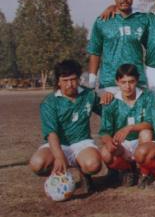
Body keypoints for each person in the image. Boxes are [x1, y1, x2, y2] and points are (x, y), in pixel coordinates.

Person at [29, 60, 103, 190]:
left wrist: (108, 98)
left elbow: (106, 112)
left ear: (79, 79)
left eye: (73, 79)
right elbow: (51, 133)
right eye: (65, 80)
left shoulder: (88, 95)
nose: (70, 84)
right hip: (59, 144)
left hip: (82, 142)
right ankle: (58, 175)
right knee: (37, 164)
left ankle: (84, 173)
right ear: (58, 81)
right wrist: (59, 156)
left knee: (93, 165)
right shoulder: (49, 102)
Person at [98, 63, 155, 187]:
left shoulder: (147, 97)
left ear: (137, 80)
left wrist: (130, 128)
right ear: (117, 82)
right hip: (122, 146)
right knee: (105, 153)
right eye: (123, 82)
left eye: (131, 82)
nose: (128, 86)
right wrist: (109, 142)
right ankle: (127, 170)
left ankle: (144, 172)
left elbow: (151, 123)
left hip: (141, 142)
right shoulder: (111, 102)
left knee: (146, 132)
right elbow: (104, 131)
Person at [87, 0, 148, 91]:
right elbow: (95, 52)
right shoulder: (102, 21)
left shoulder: (143, 19)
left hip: (136, 82)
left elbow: (153, 46)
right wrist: (91, 82)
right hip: (109, 83)